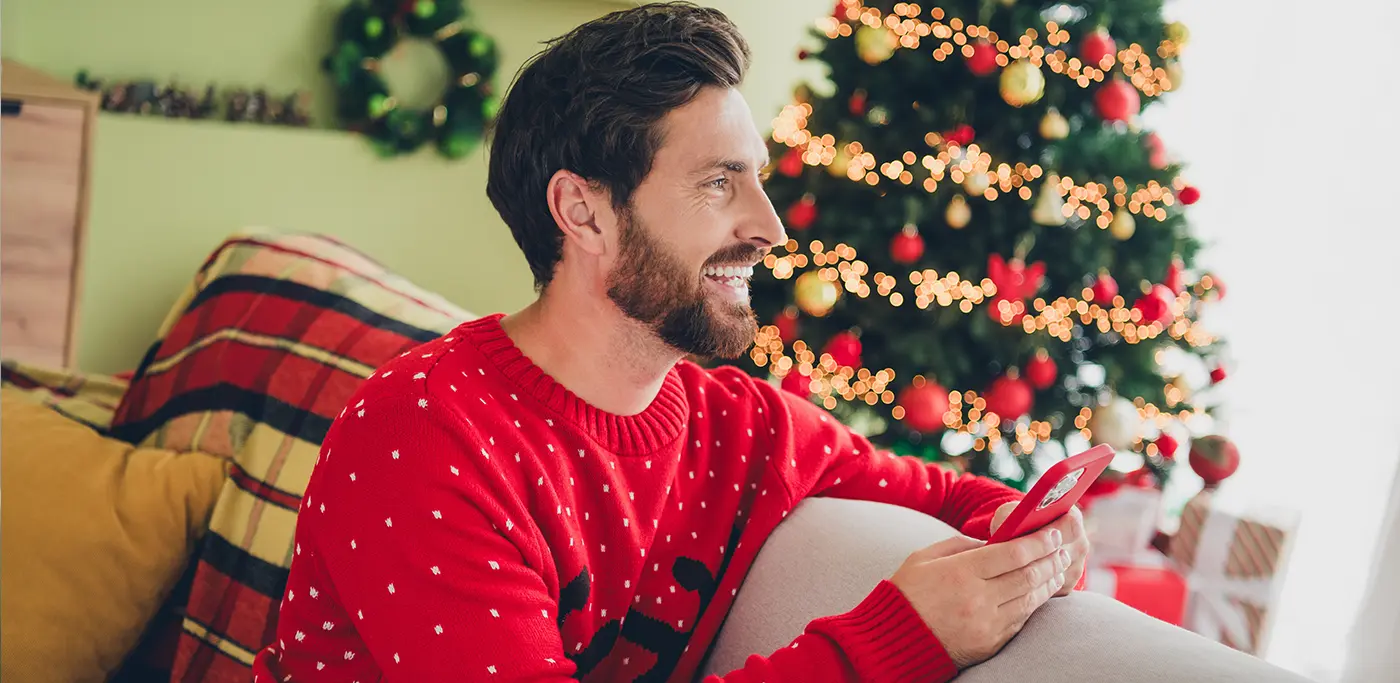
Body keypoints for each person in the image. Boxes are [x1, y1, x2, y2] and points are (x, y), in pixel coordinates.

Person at [250, 3, 1090, 681]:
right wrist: (891, 640)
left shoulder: (746, 425)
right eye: (718, 181)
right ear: (582, 211)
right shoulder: (424, 437)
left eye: (757, 179)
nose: (767, 227)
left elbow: (961, 499)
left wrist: (1043, 537)